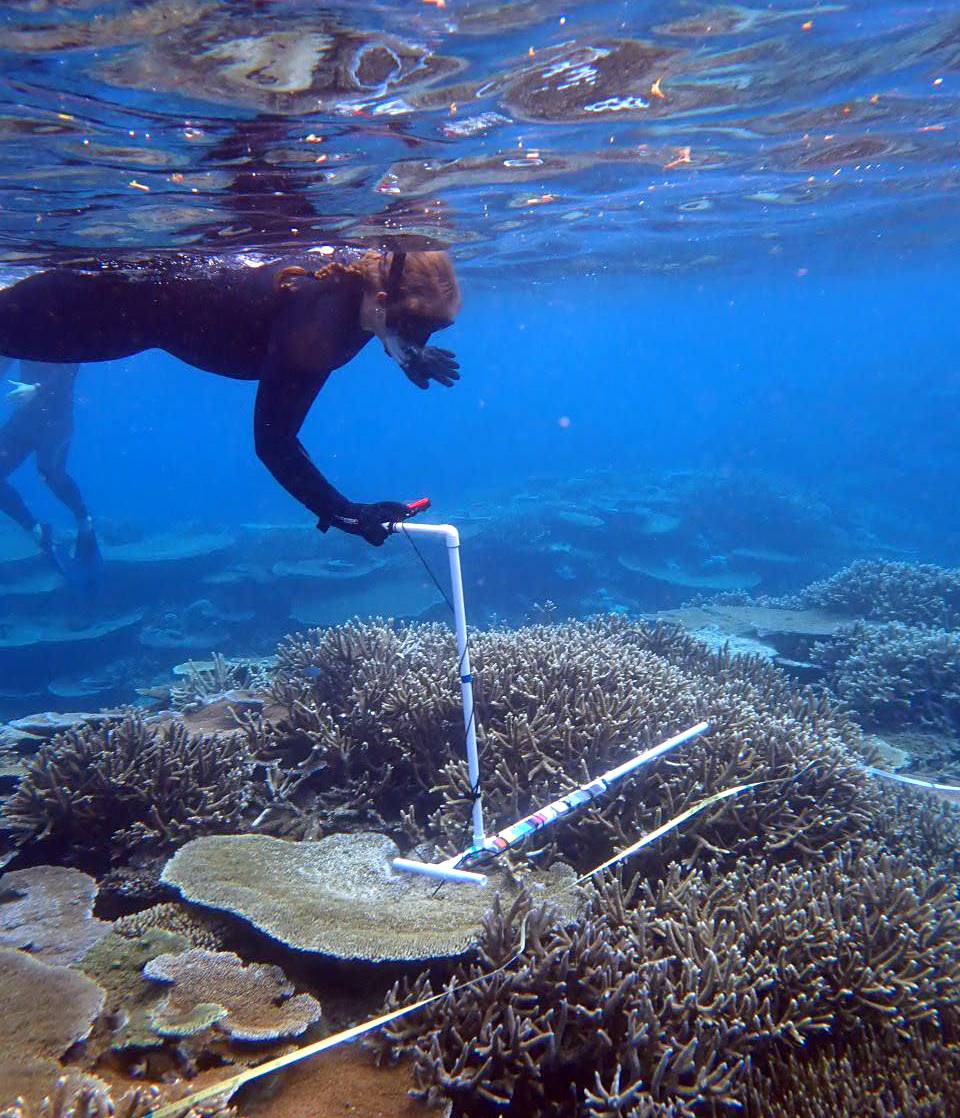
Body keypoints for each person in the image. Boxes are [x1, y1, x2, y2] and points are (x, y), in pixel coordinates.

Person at [0, 247, 461, 546]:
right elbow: (273, 442)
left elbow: (391, 330)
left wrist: (410, 353)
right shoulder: (317, 329)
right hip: (109, 304)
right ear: (382, 299)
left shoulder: (362, 289)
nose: (421, 338)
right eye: (418, 326)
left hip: (131, 293)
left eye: (433, 330)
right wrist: (346, 514)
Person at [0, 358, 98, 572]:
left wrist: (37, 388)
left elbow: (69, 368)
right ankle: (37, 532)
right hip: (26, 419)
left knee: (50, 472)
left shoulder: (65, 331)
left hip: (57, 420)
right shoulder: (18, 332)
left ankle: (84, 521)